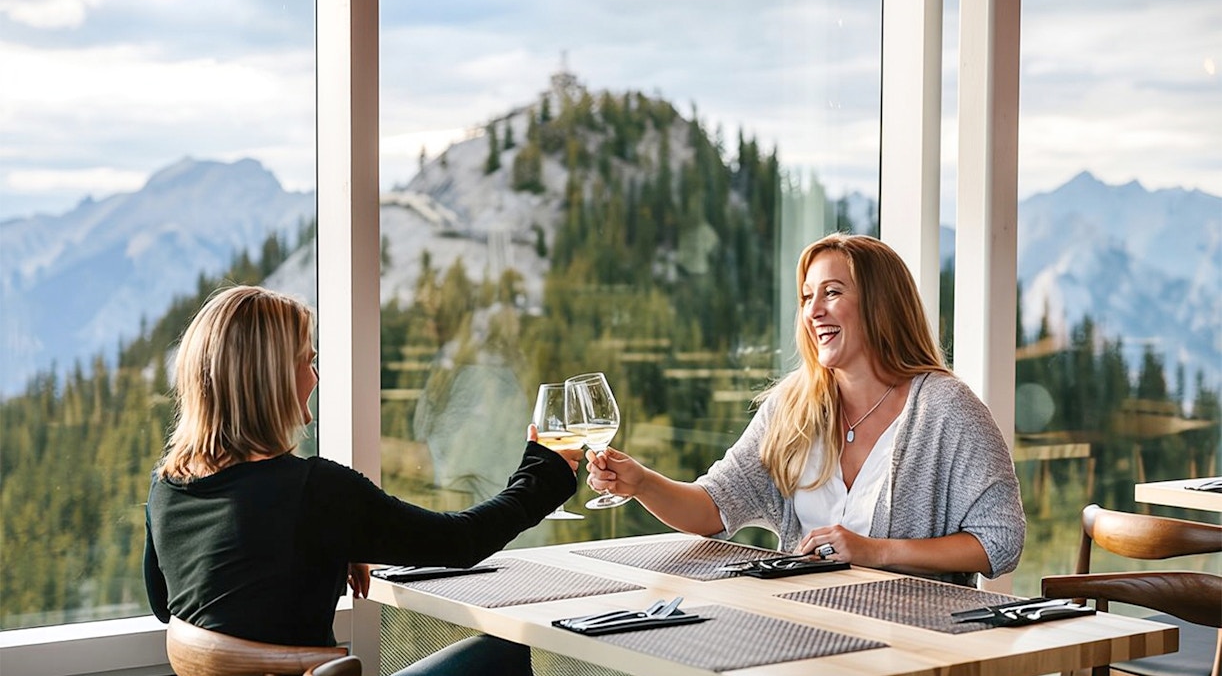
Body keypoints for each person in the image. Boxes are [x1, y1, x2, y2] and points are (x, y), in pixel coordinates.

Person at [143, 285, 580, 676]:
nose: (315, 377)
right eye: (308, 362)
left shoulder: (166, 488)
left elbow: (172, 607)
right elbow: (460, 542)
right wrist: (544, 472)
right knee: (503, 654)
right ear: (271, 379)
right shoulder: (314, 492)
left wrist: (329, 548)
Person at [587, 233, 1025, 587]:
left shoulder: (945, 408)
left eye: (832, 293)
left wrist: (875, 551)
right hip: (808, 629)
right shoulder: (793, 407)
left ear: (880, 305)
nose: (813, 312)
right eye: (806, 297)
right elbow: (712, 508)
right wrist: (641, 482)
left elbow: (1001, 541)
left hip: (918, 641)